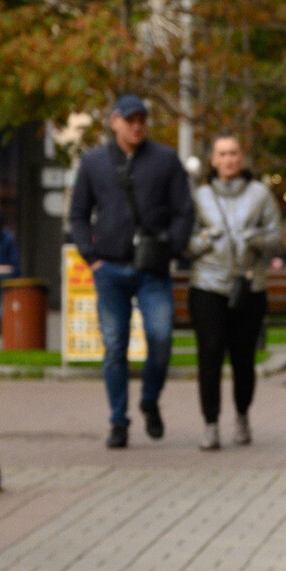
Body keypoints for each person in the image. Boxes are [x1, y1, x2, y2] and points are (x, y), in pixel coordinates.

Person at [67, 94, 194, 448]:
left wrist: (171, 248)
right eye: (130, 120)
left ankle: (150, 400)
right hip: (109, 269)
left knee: (161, 338)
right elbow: (78, 214)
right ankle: (118, 421)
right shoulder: (94, 162)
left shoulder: (165, 160)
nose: (137, 126)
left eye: (142, 120)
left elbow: (185, 210)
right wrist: (91, 256)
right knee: (114, 347)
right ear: (114, 122)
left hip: (153, 270)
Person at [188, 134, 283, 449]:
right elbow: (185, 242)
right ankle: (210, 423)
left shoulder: (260, 194)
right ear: (213, 160)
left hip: (248, 285)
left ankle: (242, 415)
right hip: (208, 284)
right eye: (222, 154)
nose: (228, 159)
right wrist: (205, 239)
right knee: (210, 353)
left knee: (243, 358)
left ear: (242, 158)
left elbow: (277, 240)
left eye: (233, 153)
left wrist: (255, 239)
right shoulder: (200, 196)